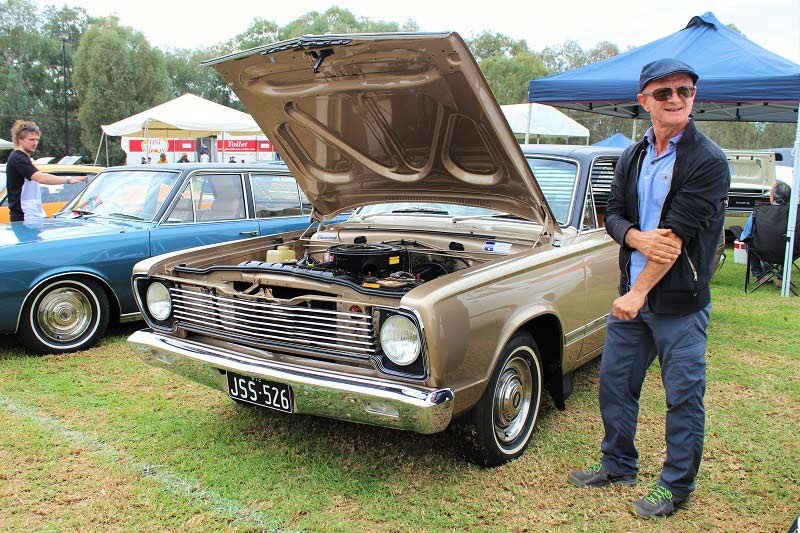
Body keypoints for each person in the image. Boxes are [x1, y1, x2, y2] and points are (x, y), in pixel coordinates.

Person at [568, 59, 730, 518]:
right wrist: (634, 236)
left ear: (693, 97)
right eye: (664, 93)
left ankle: (674, 487)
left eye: (685, 90)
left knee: (683, 397)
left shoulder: (707, 161)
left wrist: (637, 294)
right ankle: (618, 464)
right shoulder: (633, 156)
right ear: (644, 101)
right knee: (615, 386)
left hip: (677, 305)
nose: (676, 98)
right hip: (631, 298)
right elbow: (614, 213)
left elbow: (673, 241)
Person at [5, 120, 88, 223]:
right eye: (31, 139)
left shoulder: (23, 158)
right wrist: (69, 180)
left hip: (31, 214)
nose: (35, 143)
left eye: (37, 140)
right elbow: (39, 177)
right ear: (20, 139)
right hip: (25, 216)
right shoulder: (18, 158)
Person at [731, 181, 791, 281]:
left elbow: (747, 234)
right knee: (789, 244)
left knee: (748, 240)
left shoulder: (759, 211)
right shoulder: (793, 215)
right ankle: (781, 277)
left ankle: (759, 274)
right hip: (785, 251)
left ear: (773, 196)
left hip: (760, 249)